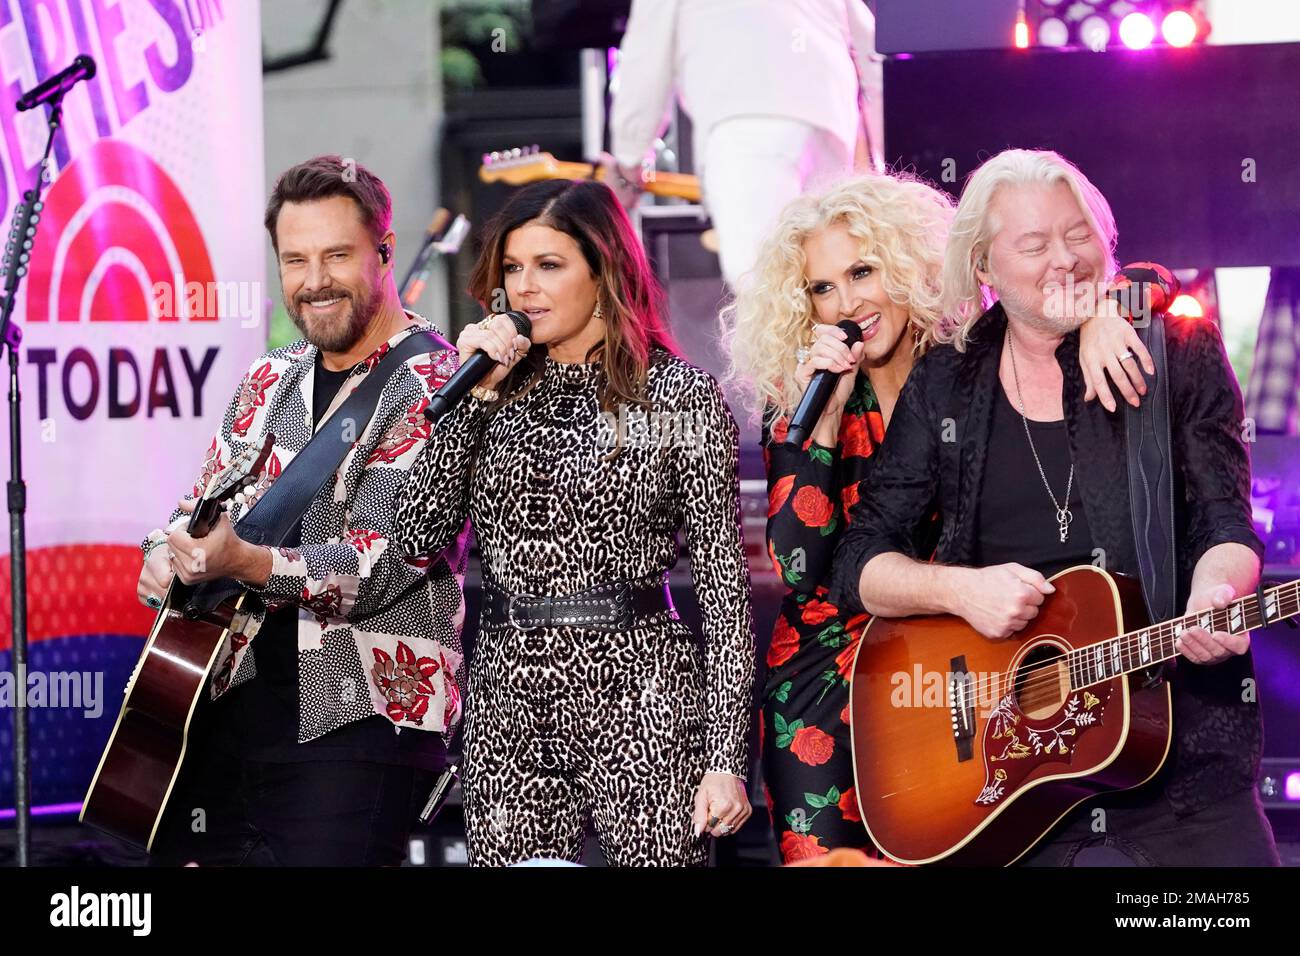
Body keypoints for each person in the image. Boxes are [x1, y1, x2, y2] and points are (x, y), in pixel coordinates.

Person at [829, 148, 1280, 866]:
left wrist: (1214, 592)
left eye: (1079, 236)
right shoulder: (947, 382)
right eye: (1034, 244)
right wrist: (960, 589)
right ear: (984, 267)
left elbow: (1225, 518)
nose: (1064, 260)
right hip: (1003, 779)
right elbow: (859, 561)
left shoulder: (1174, 349)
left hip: (1178, 760)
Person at [725, 171, 1156, 864]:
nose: (847, 303)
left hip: (956, 676)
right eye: (821, 288)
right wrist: (826, 422)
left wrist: (1108, 309)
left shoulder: (971, 367)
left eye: (862, 272)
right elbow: (798, 569)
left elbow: (1120, 275)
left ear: (909, 262)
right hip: (823, 689)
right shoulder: (803, 398)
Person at [394, 178, 756, 866]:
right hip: (506, 692)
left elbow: (725, 594)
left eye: (549, 265)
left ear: (605, 268)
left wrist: (725, 756)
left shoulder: (674, 394)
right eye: (512, 268)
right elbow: (415, 536)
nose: (525, 288)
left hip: (642, 686)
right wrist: (475, 397)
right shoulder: (488, 387)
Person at [137, 155, 466, 866]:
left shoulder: (437, 383)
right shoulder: (268, 379)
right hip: (218, 711)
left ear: (383, 254)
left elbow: (379, 561)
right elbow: (197, 511)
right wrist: (164, 555)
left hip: (357, 724)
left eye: (336, 255)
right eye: (295, 259)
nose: (314, 280)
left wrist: (241, 561)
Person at [607, 0, 883, 288]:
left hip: (747, 124)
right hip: (831, 123)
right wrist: (879, 154)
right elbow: (873, 48)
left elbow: (646, 60)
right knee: (829, 279)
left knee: (761, 284)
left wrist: (628, 162)